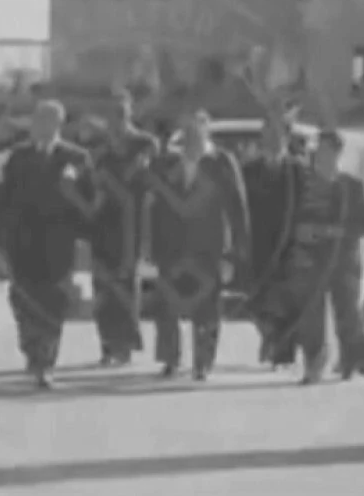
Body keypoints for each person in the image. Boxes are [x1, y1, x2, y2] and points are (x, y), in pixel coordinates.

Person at [143, 108, 250, 381]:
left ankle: (203, 362)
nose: (191, 137)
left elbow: (237, 208)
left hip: (208, 250)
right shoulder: (167, 163)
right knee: (167, 306)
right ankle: (170, 359)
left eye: (196, 131)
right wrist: (151, 248)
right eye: (187, 131)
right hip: (172, 249)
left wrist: (235, 252)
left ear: (206, 131)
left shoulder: (221, 162)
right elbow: (155, 207)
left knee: (206, 309)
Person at [0, 99, 96, 389]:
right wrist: (1, 239)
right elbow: (4, 201)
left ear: (59, 124)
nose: (41, 125)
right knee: (24, 301)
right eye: (38, 119)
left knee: (54, 303)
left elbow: (88, 201)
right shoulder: (18, 157)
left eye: (48, 120)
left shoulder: (76, 158)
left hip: (58, 243)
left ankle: (46, 363)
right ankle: (32, 350)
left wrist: (83, 236)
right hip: (22, 243)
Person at [284, 129, 364, 385]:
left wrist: (331, 232)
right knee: (311, 315)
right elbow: (289, 217)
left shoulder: (352, 186)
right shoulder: (303, 186)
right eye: (319, 150)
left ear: (337, 153)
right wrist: (300, 232)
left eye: (327, 151)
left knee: (347, 311)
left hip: (343, 260)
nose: (322, 155)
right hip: (310, 259)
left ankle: (352, 360)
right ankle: (313, 364)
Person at [88, 89, 160, 367]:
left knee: (127, 284)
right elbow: (89, 184)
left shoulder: (145, 144)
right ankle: (107, 344)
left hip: (131, 224)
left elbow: (156, 179)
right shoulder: (99, 149)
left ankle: (125, 344)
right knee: (102, 285)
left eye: (121, 113)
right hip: (102, 225)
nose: (116, 119)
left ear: (130, 113)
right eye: (112, 114)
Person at [241, 116, 300, 369]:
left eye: (277, 135)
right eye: (268, 135)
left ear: (287, 138)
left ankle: (282, 353)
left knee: (285, 304)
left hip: (289, 246)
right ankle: (270, 337)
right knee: (257, 304)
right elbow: (239, 207)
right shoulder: (249, 171)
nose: (273, 141)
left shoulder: (298, 171)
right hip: (258, 247)